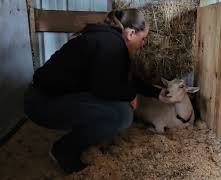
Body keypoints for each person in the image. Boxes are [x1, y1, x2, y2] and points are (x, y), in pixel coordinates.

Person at [24, 8, 173, 174]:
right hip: (41, 104)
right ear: (130, 33)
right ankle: (63, 150)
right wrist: (130, 95)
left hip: (44, 98)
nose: (143, 43)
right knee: (122, 115)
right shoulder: (112, 44)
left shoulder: (107, 38)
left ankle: (81, 139)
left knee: (118, 107)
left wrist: (155, 93)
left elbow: (126, 78)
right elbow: (104, 90)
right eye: (143, 38)